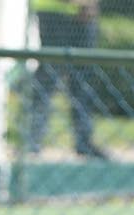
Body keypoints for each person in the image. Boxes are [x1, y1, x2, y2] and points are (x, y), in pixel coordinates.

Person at [27, 0, 110, 159]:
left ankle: (84, 143)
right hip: (55, 13)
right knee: (48, 78)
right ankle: (31, 142)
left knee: (82, 83)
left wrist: (90, 4)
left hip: (84, 14)